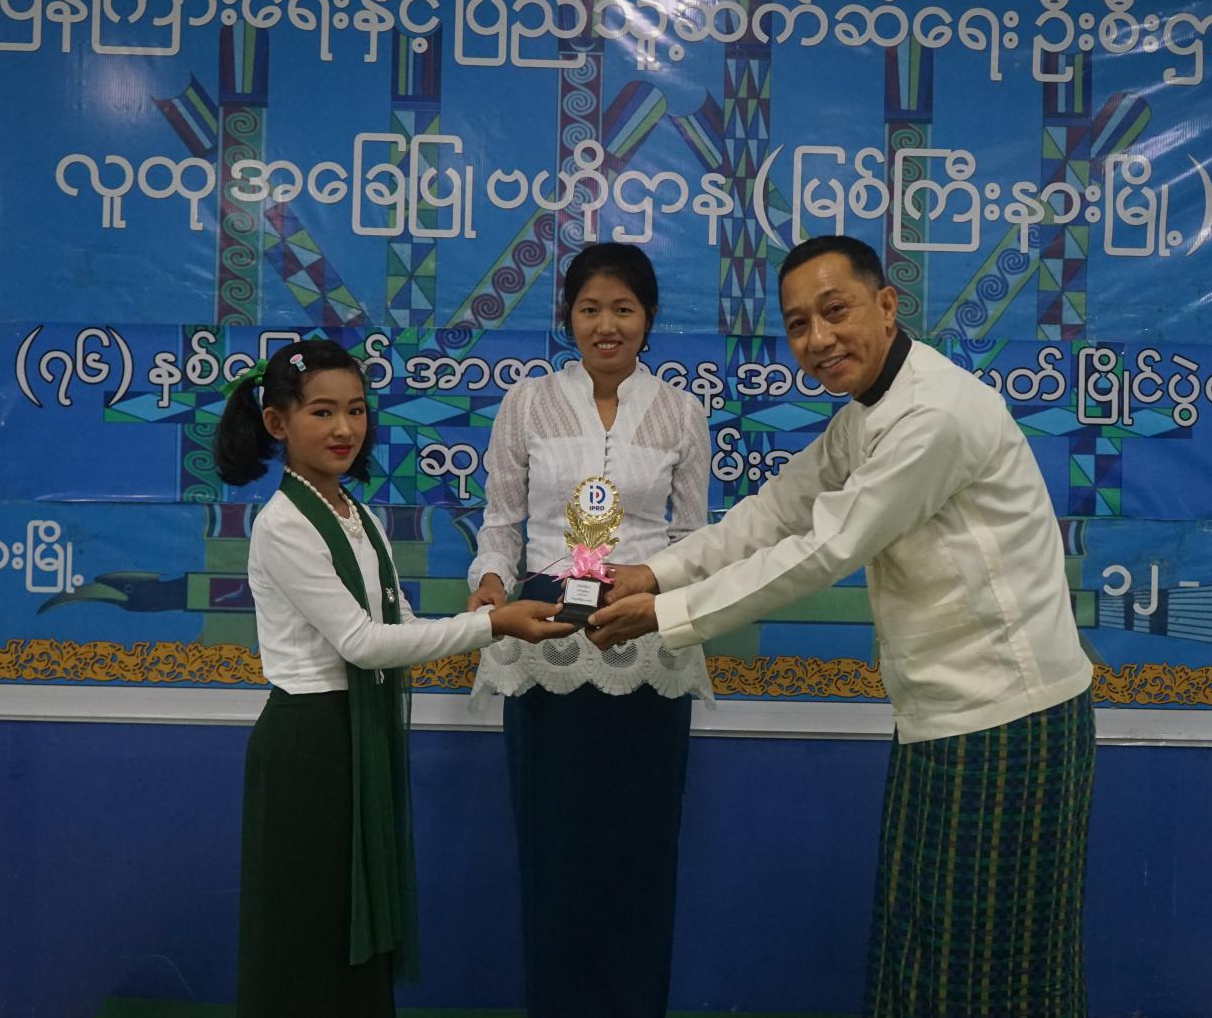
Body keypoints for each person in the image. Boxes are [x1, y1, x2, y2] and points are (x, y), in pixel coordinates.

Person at [589, 235, 1097, 1018]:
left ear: (887, 305)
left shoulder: (934, 414)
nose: (818, 338)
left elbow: (825, 548)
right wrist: (657, 571)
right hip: (940, 717)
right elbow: (777, 509)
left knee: (994, 965)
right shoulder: (868, 412)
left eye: (836, 311)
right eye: (798, 324)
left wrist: (665, 613)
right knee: (922, 944)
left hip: (1009, 719)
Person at [213, 338, 572, 1018]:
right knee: (308, 922)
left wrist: (485, 610)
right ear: (277, 422)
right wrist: (492, 627)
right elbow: (363, 643)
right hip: (309, 742)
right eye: (322, 411)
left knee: (357, 918)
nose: (344, 428)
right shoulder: (284, 524)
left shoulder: (358, 515)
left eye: (355, 410)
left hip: (359, 732)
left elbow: (398, 624)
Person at [465, 243, 712, 1017]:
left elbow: (693, 539)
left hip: (645, 641)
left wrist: (658, 590)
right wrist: (489, 583)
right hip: (546, 639)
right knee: (556, 846)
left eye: (624, 309)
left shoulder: (682, 413)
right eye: (590, 308)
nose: (607, 325)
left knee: (640, 846)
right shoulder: (526, 402)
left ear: (649, 318)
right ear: (568, 316)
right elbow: (500, 524)